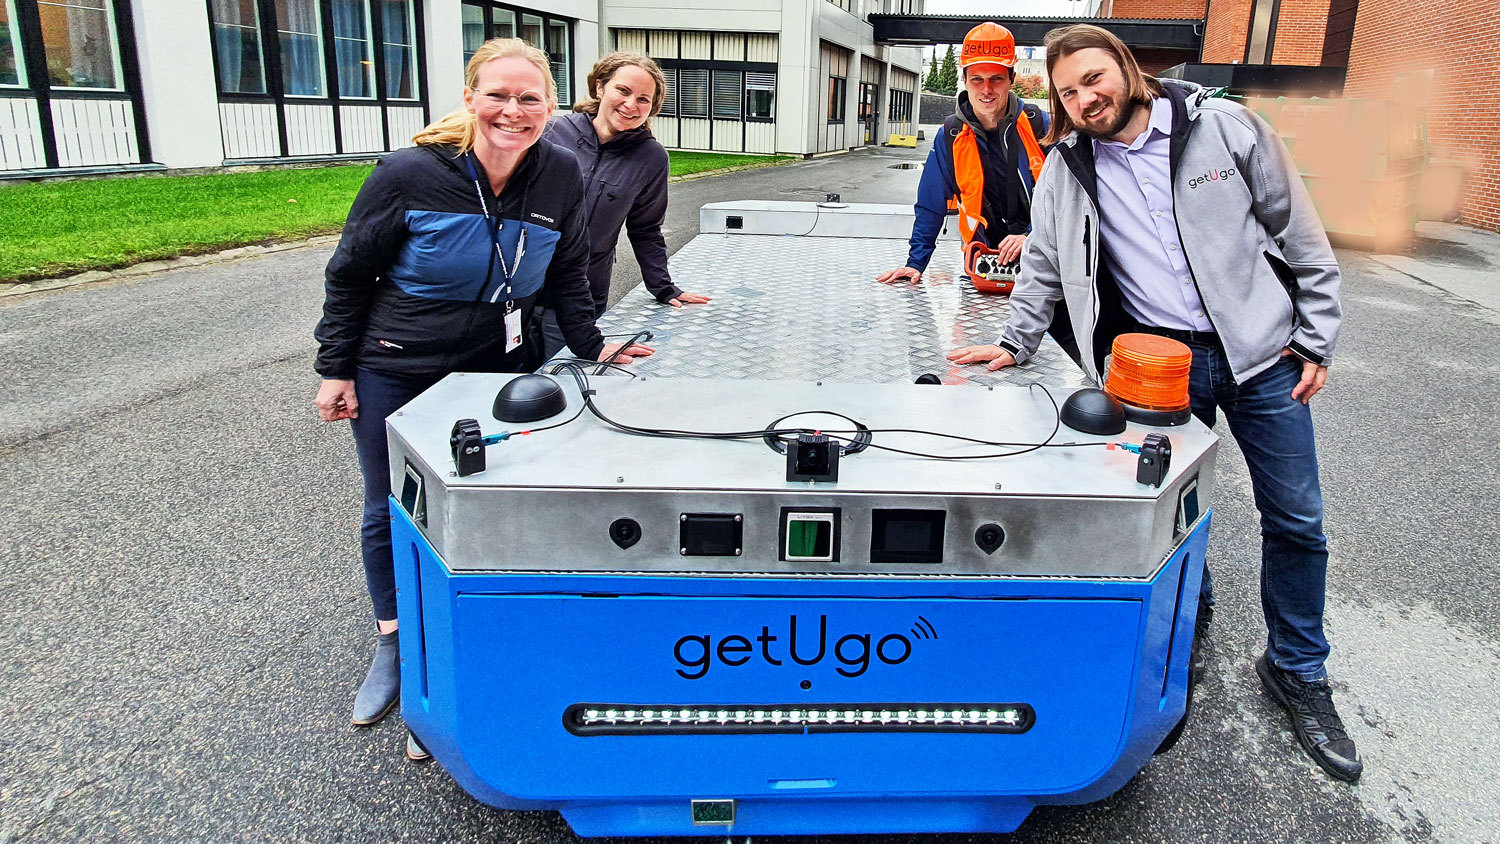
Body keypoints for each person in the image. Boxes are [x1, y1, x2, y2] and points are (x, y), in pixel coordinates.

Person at [947, 24, 1360, 782]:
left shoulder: (1223, 129)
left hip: (1262, 356)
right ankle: (1183, 627)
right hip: (1156, 364)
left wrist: (1316, 336)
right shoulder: (1069, 166)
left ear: (1127, 69)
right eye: (1068, 91)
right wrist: (1013, 343)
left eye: (1094, 79)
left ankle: (1298, 669)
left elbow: (1298, 230)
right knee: (1169, 511)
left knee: (1298, 516)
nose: (1084, 98)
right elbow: (1041, 259)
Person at [312, 38, 653, 760]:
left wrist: (593, 346)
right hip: (397, 364)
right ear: (470, 98)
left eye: (530, 99)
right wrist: (335, 369)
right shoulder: (409, 174)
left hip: (495, 366)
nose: (513, 111)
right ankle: (398, 645)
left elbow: (567, 273)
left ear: (552, 107)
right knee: (393, 504)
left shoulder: (559, 173)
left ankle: (481, 636)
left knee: (490, 496)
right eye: (498, 95)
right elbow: (349, 276)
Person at [876, 22, 1078, 366]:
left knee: (1057, 365)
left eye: (996, 79)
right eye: (977, 79)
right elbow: (930, 202)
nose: (987, 89)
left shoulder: (1042, 126)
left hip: (1047, 273)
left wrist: (1030, 237)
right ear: (965, 80)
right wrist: (915, 263)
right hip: (981, 271)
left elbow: (1073, 201)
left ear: (1011, 79)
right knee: (971, 362)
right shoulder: (951, 135)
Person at [539, 51, 711, 359]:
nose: (631, 105)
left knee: (562, 380)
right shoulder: (551, 133)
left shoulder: (651, 158)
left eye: (643, 99)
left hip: (581, 296)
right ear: (600, 88)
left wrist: (663, 287)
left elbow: (646, 229)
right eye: (623, 90)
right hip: (521, 288)